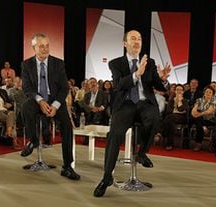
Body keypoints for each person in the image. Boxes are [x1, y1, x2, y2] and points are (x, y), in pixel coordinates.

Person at [93, 29, 171, 197]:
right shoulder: (115, 63)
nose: (137, 42)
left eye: (139, 39)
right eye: (133, 39)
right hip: (125, 104)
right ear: (125, 43)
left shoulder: (149, 63)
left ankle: (142, 153)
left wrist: (163, 78)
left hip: (145, 103)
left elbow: (158, 85)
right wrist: (136, 74)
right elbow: (119, 84)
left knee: (155, 118)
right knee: (114, 134)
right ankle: (107, 177)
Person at [20, 33, 80, 180]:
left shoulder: (58, 63)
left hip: (55, 101)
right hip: (37, 100)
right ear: (34, 47)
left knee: (67, 126)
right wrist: (40, 101)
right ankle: (33, 139)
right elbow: (27, 88)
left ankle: (67, 166)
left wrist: (55, 105)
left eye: (47, 45)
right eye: (41, 46)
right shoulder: (26, 64)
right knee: (25, 107)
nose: (45, 49)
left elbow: (64, 88)